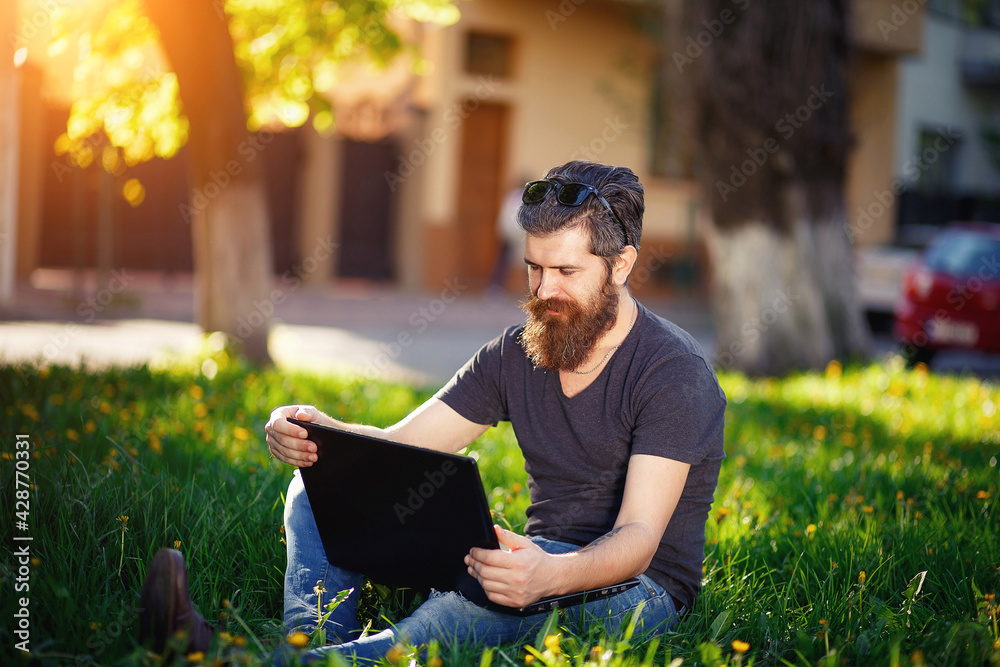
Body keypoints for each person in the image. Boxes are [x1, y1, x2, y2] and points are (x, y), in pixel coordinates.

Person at [138, 160, 726, 663]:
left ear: (620, 266)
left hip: (636, 590)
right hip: (532, 560)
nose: (544, 290)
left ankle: (214, 656)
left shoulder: (673, 373)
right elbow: (400, 448)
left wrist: (548, 575)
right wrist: (320, 434)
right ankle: (312, 647)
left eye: (567, 272)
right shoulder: (517, 350)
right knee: (320, 482)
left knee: (456, 612)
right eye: (534, 268)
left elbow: (639, 539)